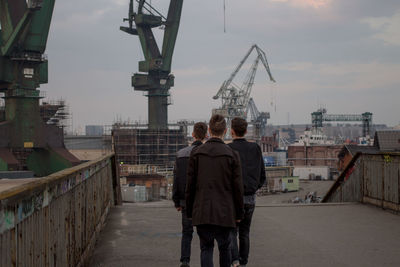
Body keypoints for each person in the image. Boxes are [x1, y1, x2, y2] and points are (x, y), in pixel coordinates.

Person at [186, 114, 244, 267]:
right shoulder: (232, 155)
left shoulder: (196, 153)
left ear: (209, 130)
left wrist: (190, 211)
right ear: (225, 131)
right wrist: (239, 214)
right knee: (225, 248)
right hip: (225, 212)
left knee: (206, 248)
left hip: (202, 210)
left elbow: (190, 185)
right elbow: (237, 188)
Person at [228, 117, 266, 267]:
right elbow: (262, 175)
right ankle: (243, 262)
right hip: (250, 198)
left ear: (231, 131)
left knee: (232, 232)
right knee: (245, 232)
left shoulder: (228, 149)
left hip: (232, 199)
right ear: (246, 131)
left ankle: (235, 260)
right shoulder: (255, 148)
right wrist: (253, 188)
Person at [173, 122, 208, 267]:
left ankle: (185, 261)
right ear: (206, 135)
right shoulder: (208, 153)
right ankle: (205, 262)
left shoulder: (181, 154)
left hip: (185, 201)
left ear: (193, 135)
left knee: (186, 232)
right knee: (204, 235)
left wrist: (177, 201)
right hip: (203, 201)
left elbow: (176, 179)